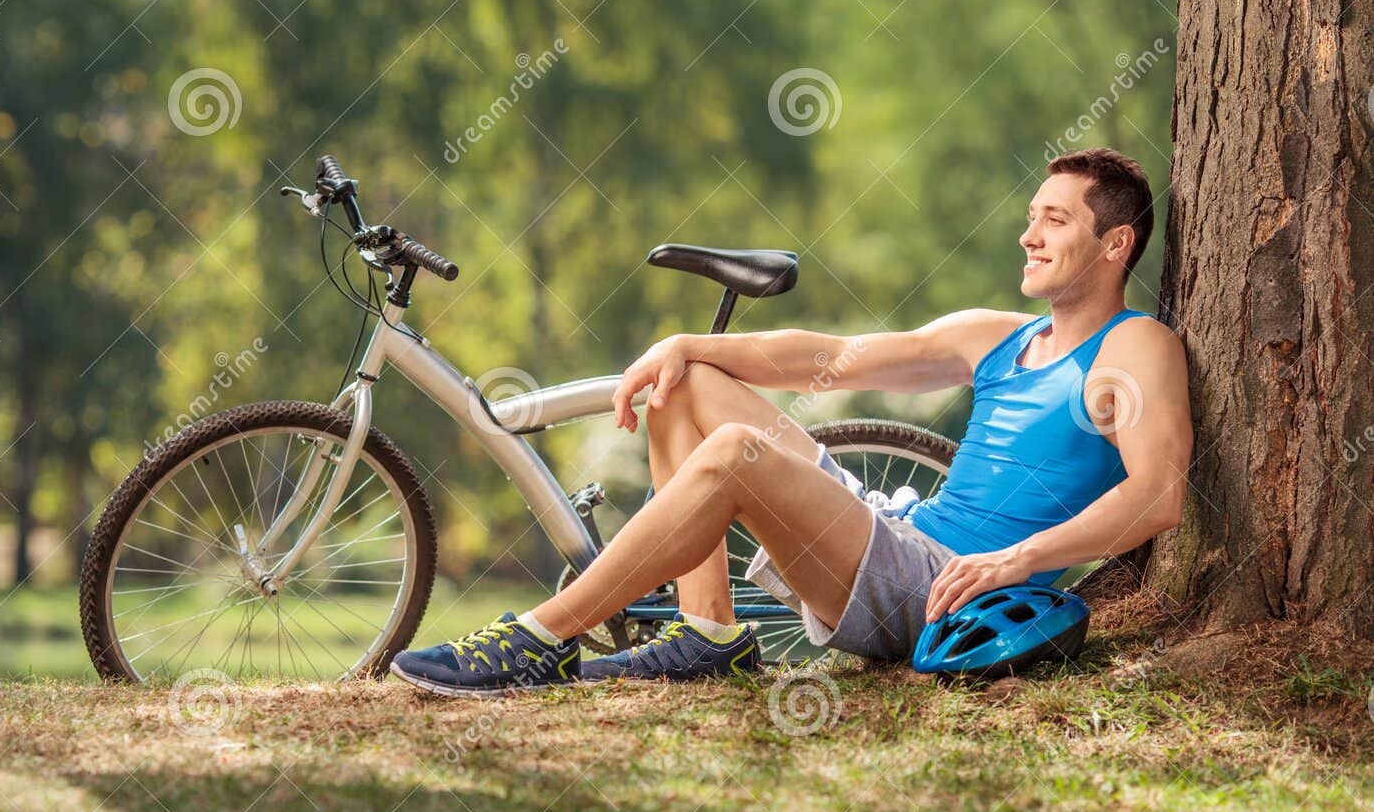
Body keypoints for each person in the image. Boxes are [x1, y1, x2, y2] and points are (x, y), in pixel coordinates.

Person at [391, 147, 1192, 697]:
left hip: (946, 586)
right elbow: (834, 358)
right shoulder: (1001, 336)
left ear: (1114, 243)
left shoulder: (1134, 348)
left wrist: (1018, 560)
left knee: (739, 450)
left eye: (1055, 221)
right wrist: (685, 343)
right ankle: (707, 634)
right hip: (899, 531)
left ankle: (535, 638)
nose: (1028, 234)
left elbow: (1156, 495)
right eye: (1031, 214)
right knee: (689, 384)